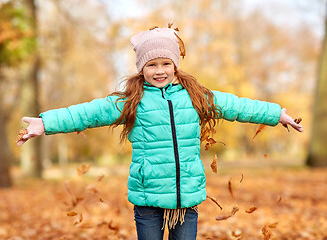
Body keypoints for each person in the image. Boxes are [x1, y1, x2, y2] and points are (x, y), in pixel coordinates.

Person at [17, 25, 303, 240]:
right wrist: (45, 123)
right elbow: (87, 113)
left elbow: (236, 106)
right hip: (148, 195)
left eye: (165, 63)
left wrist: (276, 114)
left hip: (186, 198)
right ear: (142, 69)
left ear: (175, 65)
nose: (159, 70)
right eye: (151, 65)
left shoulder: (195, 96)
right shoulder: (132, 100)